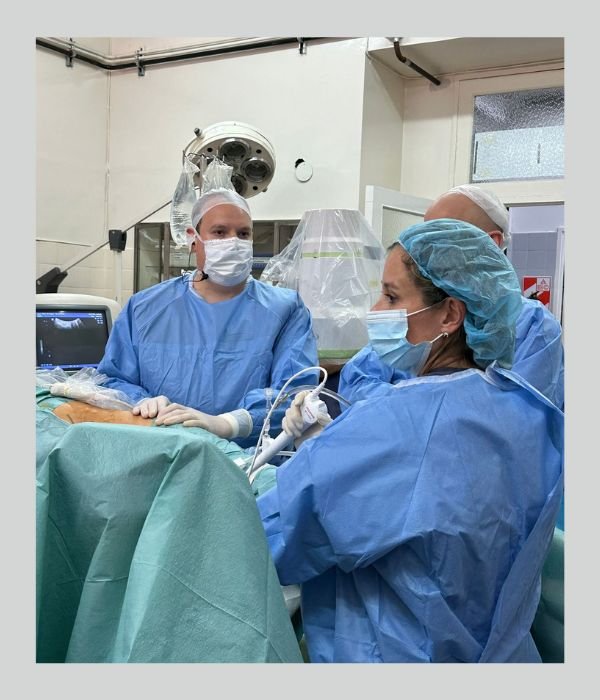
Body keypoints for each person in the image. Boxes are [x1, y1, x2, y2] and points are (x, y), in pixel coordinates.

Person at [257, 219, 563, 662]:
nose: (376, 309)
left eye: (392, 296)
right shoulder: (530, 412)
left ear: (450, 315)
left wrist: (323, 457)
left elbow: (267, 541)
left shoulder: (395, 422)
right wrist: (334, 450)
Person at [97, 174, 319, 448]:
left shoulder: (284, 309)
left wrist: (230, 423)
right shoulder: (145, 307)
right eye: (219, 232)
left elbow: (296, 393)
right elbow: (112, 378)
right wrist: (141, 401)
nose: (233, 242)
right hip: (160, 451)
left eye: (243, 233)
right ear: (194, 238)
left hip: (246, 460)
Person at [338, 185, 564, 410]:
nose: (421, 247)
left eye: (440, 233)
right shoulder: (409, 317)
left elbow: (525, 416)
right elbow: (356, 382)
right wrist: (412, 405)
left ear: (491, 244)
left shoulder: (533, 326)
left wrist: (425, 407)